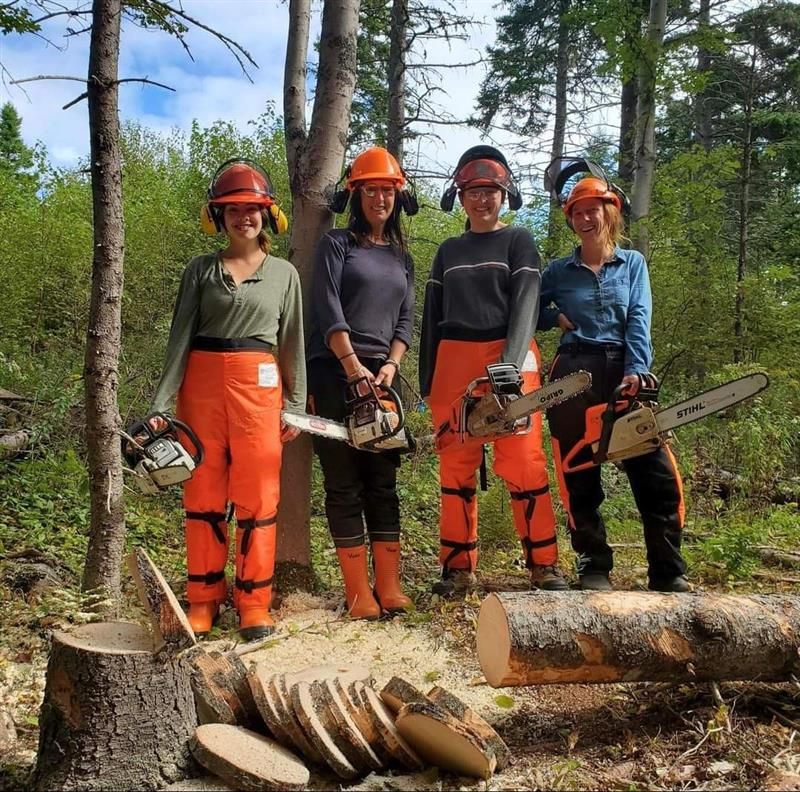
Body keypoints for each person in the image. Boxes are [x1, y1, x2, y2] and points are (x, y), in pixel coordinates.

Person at [149, 158, 305, 640]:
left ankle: (254, 602)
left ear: (267, 215)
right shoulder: (200, 270)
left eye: (252, 209)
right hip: (201, 388)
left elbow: (293, 342)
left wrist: (295, 402)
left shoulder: (284, 274)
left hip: (260, 387)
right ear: (218, 216)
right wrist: (161, 404)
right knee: (203, 493)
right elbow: (180, 339)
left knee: (259, 494)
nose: (244, 217)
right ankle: (204, 599)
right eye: (233, 209)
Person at [419, 145, 568, 597]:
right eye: (473, 192)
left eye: (491, 192)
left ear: (505, 195)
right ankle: (457, 568)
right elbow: (431, 318)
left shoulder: (519, 240)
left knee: (523, 459)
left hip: (507, 352)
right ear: (459, 197)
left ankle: (543, 563)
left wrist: (511, 358)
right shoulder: (448, 251)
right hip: (454, 358)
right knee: (456, 463)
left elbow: (526, 300)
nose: (482, 200)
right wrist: (429, 382)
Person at [539, 171, 689, 592]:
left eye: (593, 211)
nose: (586, 219)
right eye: (578, 213)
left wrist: (636, 372)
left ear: (611, 213)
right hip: (572, 374)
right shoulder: (557, 270)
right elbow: (526, 309)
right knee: (578, 470)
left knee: (652, 470)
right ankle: (594, 564)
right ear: (571, 219)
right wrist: (554, 317)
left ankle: (667, 568)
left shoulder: (633, 264)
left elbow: (640, 318)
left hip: (622, 369)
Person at [306, 147, 416, 619]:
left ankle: (388, 586)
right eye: (371, 190)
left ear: (398, 196)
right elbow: (327, 306)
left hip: (382, 375)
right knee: (344, 481)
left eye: (387, 190)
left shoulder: (401, 256)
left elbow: (406, 319)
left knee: (382, 481)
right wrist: (353, 368)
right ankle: (357, 594)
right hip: (335, 371)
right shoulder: (337, 244)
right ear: (356, 194)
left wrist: (389, 367)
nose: (380, 198)